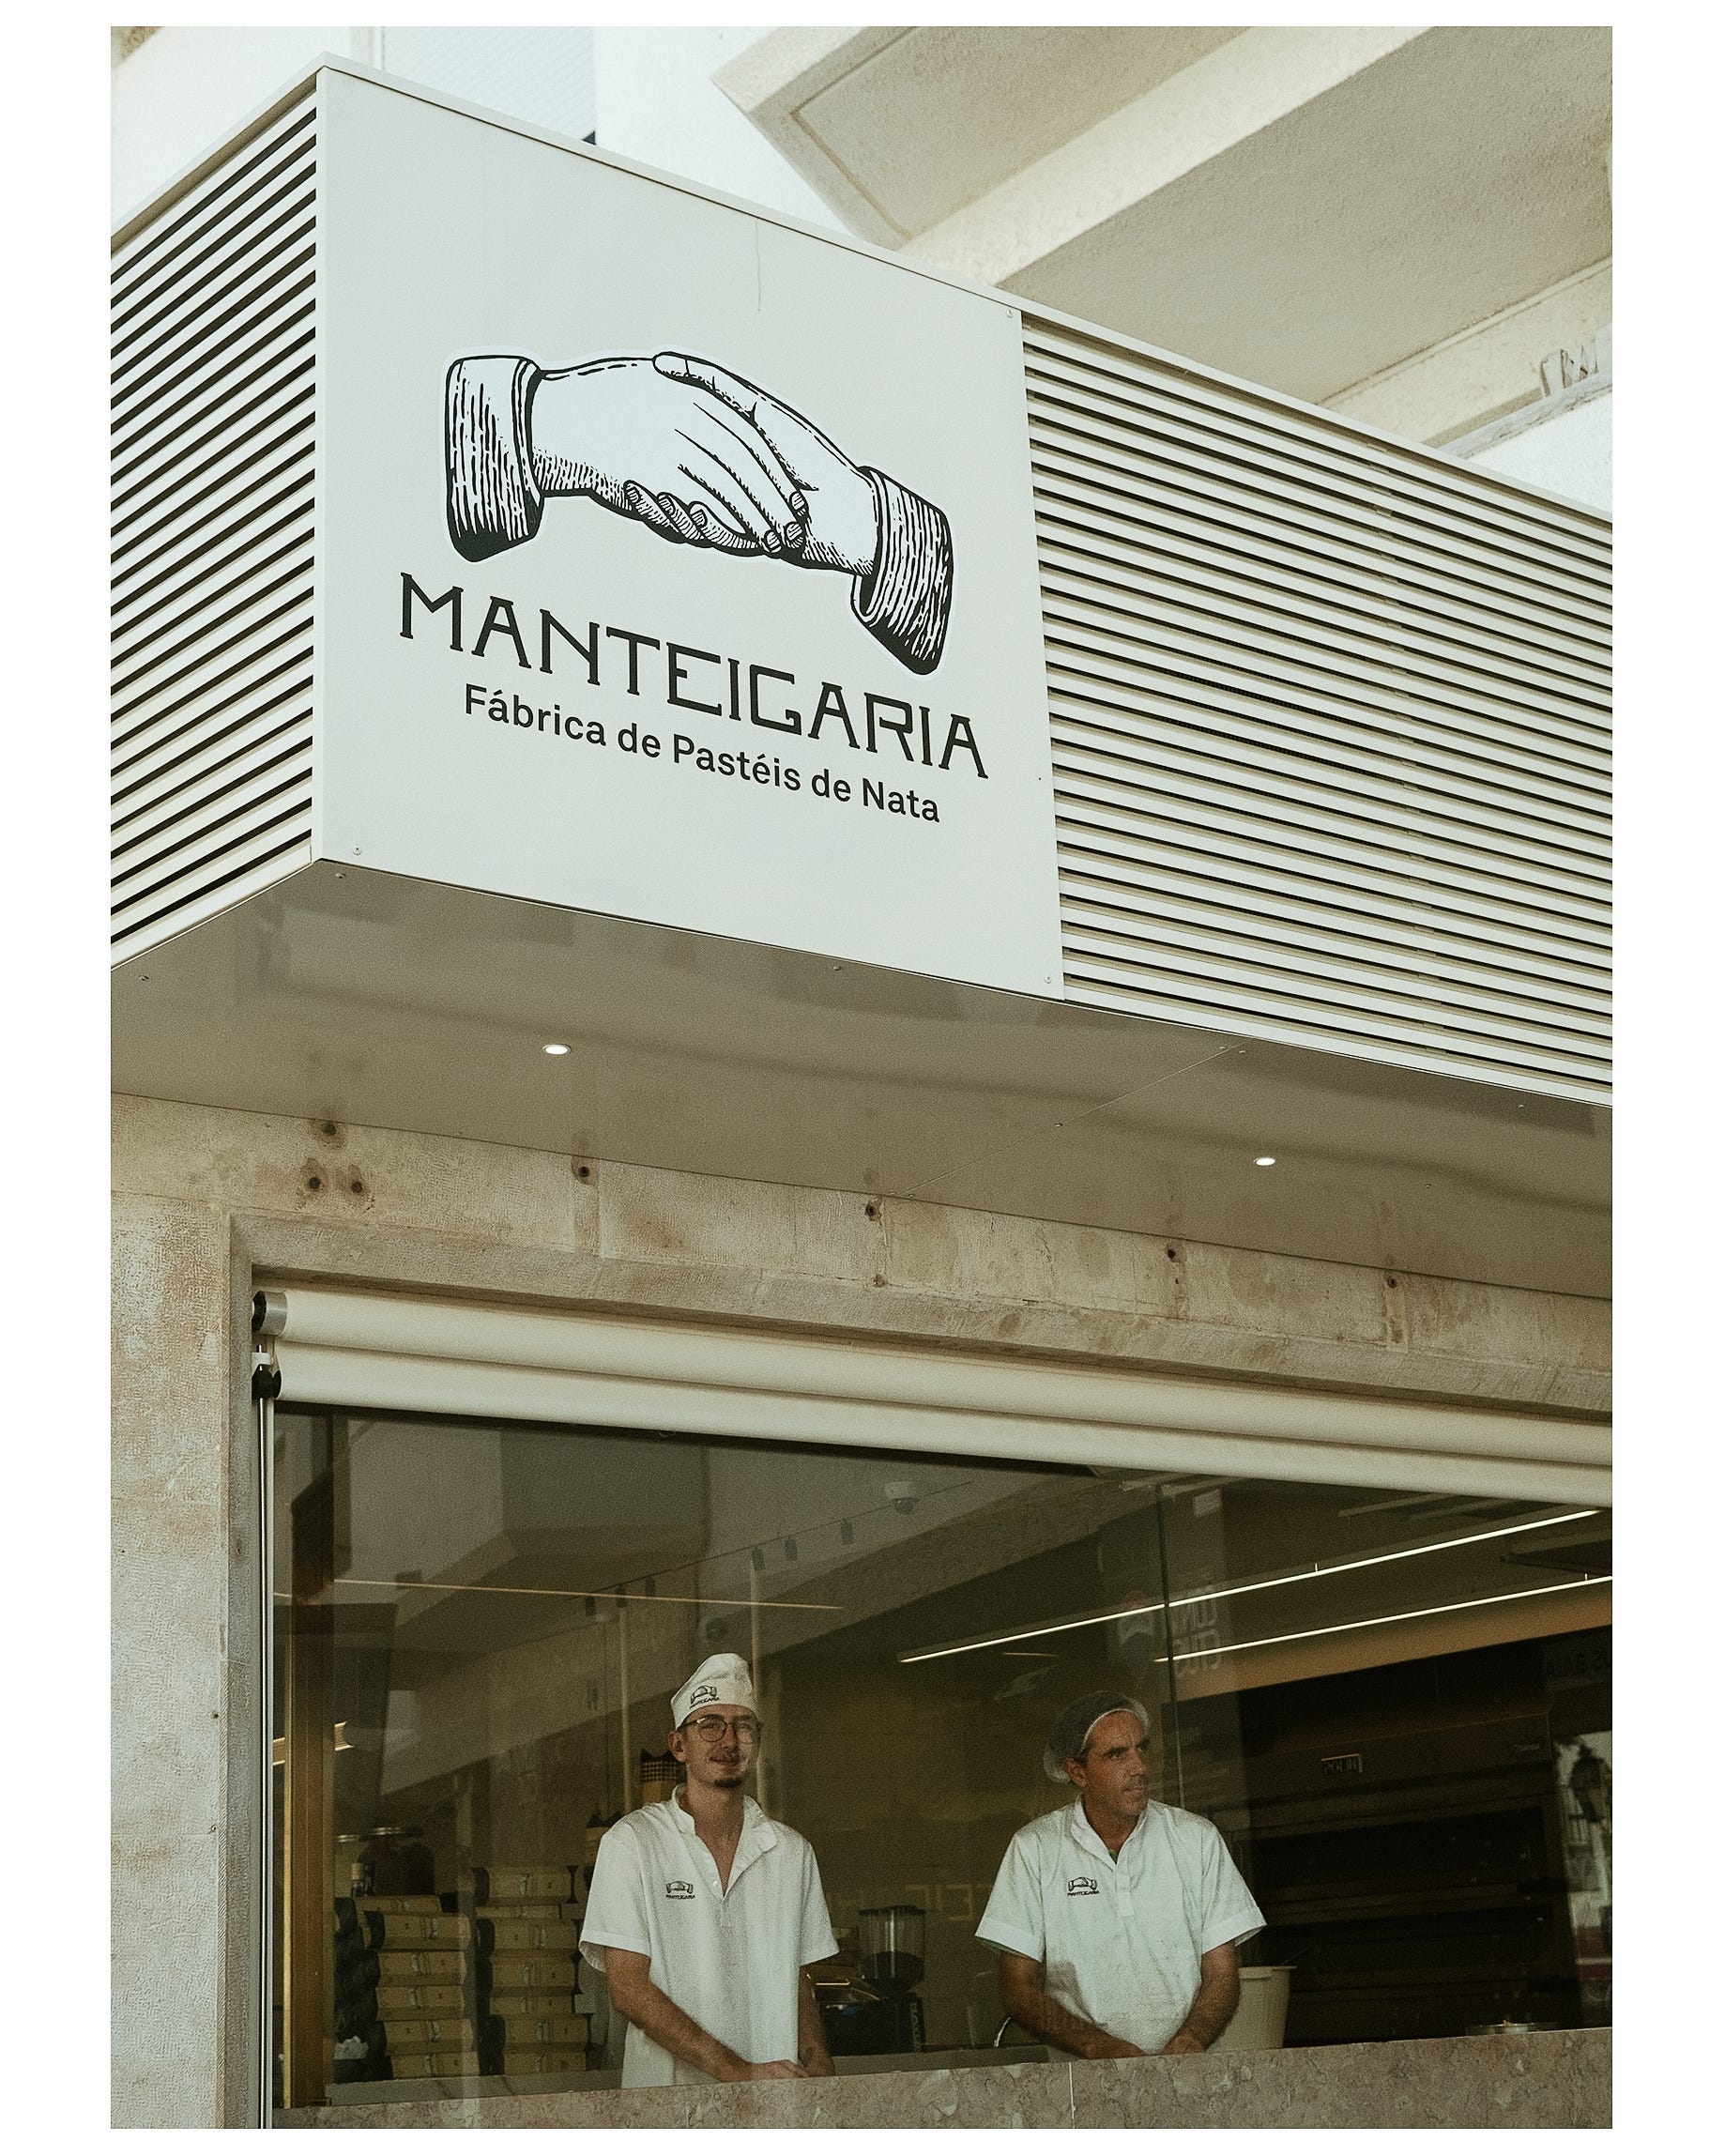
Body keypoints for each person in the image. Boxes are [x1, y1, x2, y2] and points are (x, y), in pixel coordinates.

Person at [578, 1652, 839, 2086]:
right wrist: (738, 2072)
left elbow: (794, 1977)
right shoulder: (633, 1844)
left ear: (757, 1743)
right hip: (669, 2105)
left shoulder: (791, 1853)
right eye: (710, 1725)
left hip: (770, 2101)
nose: (729, 1741)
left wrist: (816, 2055)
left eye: (744, 1726)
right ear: (678, 1745)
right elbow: (628, 1990)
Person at [976, 1690, 1264, 2060]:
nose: (1139, 1767)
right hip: (1081, 2076)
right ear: (1077, 1771)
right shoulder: (1035, 1849)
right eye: (1117, 1754)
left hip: (1190, 2071)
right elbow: (1018, 1988)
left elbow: (1222, 1974)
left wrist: (1191, 2041)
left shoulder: (1196, 1839)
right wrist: (1097, 2046)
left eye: (1141, 1748)